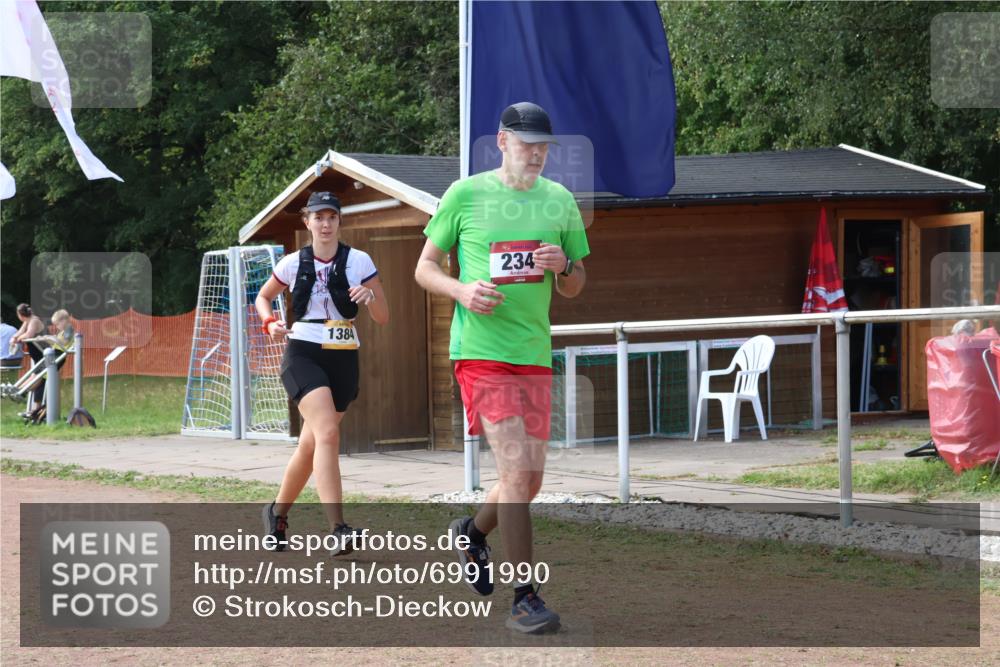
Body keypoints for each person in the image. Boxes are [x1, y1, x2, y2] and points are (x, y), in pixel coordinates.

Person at [414, 102, 590, 634]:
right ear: (501, 142)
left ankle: (471, 531)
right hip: (481, 354)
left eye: (543, 146)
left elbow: (577, 281)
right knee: (514, 472)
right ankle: (525, 597)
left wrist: (565, 267)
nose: (536, 153)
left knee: (528, 483)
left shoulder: (560, 202)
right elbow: (423, 268)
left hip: (534, 355)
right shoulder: (465, 195)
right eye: (526, 143)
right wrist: (462, 289)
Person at [255, 191, 388, 556]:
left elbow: (383, 317)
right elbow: (263, 297)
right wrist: (270, 323)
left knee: (312, 444)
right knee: (328, 433)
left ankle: (277, 513)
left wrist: (370, 298)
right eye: (319, 217)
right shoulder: (292, 263)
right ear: (307, 222)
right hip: (303, 351)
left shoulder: (359, 261)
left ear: (339, 221)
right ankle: (338, 528)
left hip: (343, 354)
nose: (325, 223)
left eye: (332, 216)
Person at [10, 304, 46, 410]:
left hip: (43, 354)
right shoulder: (27, 321)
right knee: (36, 375)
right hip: (38, 356)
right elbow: (20, 332)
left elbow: (29, 335)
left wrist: (18, 339)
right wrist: (14, 338)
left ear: (19, 315)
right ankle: (18, 390)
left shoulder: (34, 320)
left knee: (39, 377)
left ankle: (22, 392)